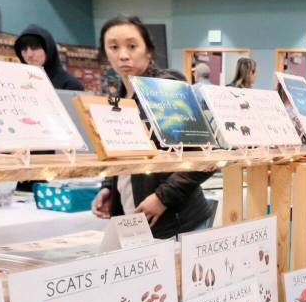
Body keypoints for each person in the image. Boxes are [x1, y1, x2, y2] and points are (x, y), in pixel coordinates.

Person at [90, 15, 214, 238]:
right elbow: (120, 152)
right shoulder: (118, 97)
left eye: (132, 46)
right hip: (134, 219)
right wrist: (109, 185)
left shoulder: (165, 87)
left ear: (148, 49)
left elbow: (205, 157)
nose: (123, 55)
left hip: (177, 222)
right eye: (114, 47)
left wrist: (162, 197)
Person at [13, 25, 84, 91]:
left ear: (49, 49)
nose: (29, 55)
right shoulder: (17, 82)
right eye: (24, 49)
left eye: (35, 47)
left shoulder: (70, 85)